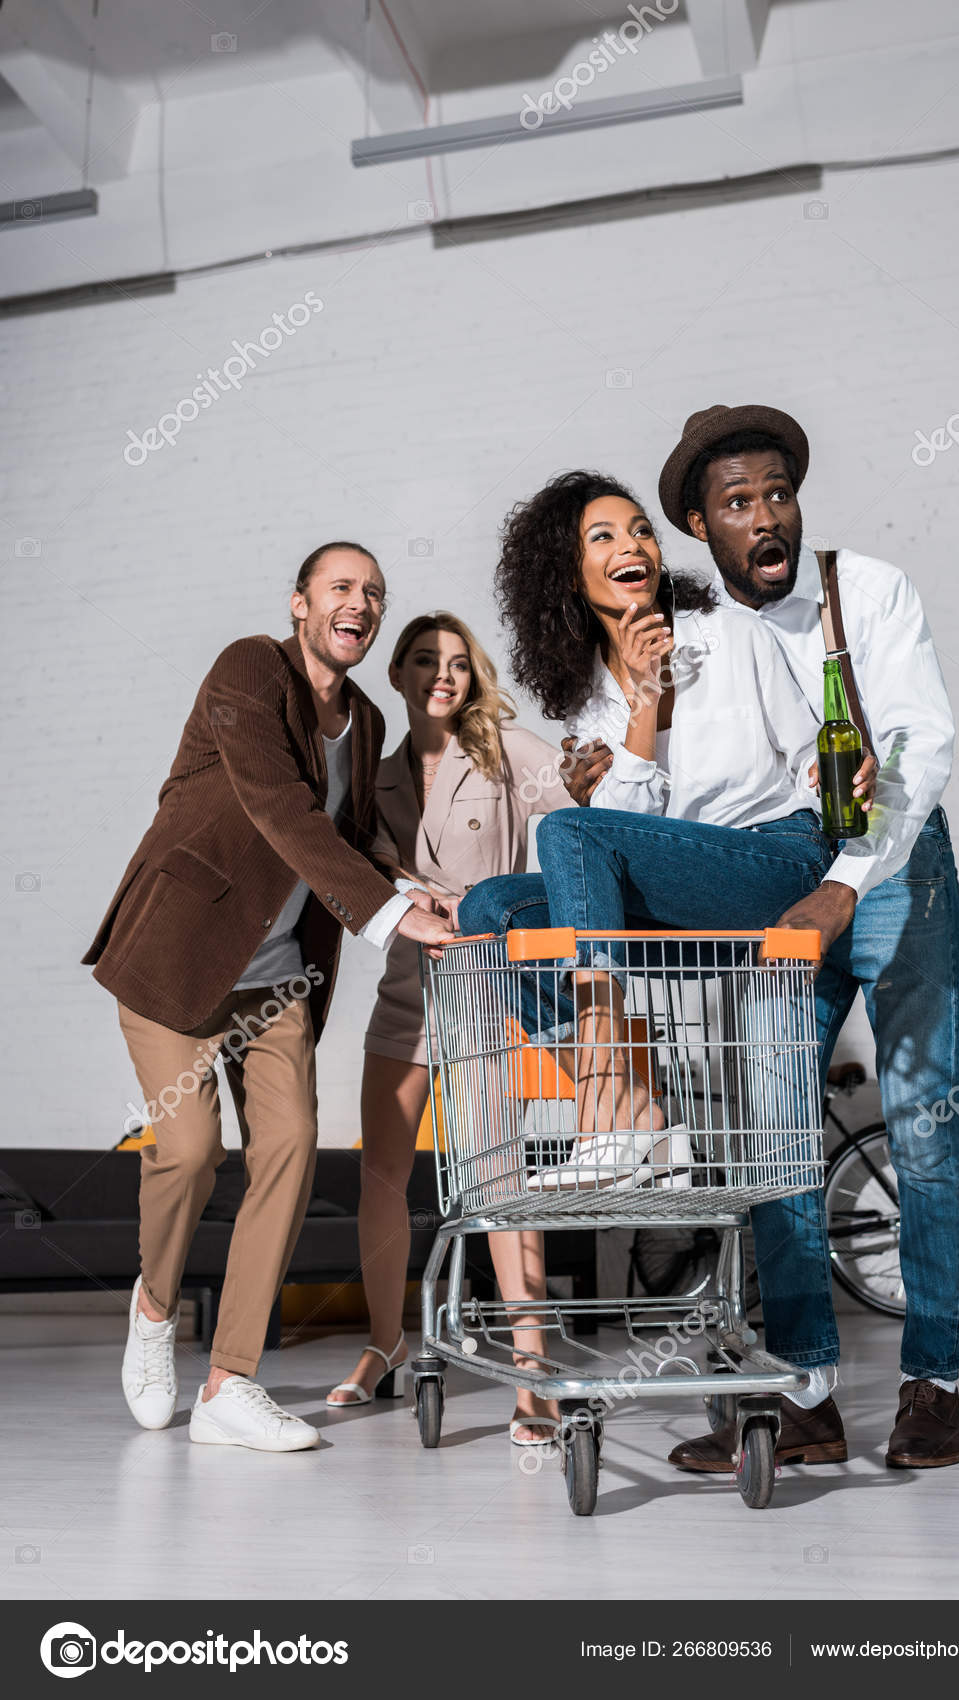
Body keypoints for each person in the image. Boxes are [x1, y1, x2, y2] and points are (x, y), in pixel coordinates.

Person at [572, 405, 959, 1471]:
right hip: (788, 893)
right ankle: (807, 1396)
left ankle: (934, 1384)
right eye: (738, 503)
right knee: (779, 1137)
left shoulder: (866, 590)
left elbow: (918, 750)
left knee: (924, 1128)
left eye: (777, 493)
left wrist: (842, 883)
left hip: (894, 880)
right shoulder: (698, 637)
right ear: (702, 526)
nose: (766, 517)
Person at [83, 542, 452, 1453]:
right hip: (181, 955)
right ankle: (156, 1307)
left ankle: (228, 1384)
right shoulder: (249, 669)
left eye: (372, 592)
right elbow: (279, 809)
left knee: (287, 1148)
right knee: (191, 1148)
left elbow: (348, 835)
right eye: (339, 588)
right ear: (300, 604)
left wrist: (412, 883)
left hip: (278, 973)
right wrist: (390, 914)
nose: (358, 603)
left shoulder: (363, 720)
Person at [459, 471, 873, 1197]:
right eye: (605, 536)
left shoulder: (731, 634)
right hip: (680, 910)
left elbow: (813, 754)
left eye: (641, 530)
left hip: (777, 864)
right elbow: (627, 829)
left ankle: (607, 1122)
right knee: (491, 910)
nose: (634, 545)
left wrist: (852, 784)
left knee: (568, 830)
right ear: (569, 572)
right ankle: (637, 1110)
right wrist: (643, 702)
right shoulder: (589, 695)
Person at [326, 612, 570, 1444]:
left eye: (458, 663)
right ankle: (385, 1344)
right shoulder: (376, 775)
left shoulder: (505, 754)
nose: (443, 674)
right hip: (404, 997)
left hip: (486, 997)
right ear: (396, 673)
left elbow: (583, 812)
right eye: (427, 660)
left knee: (500, 1183)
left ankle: (531, 1372)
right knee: (382, 1178)